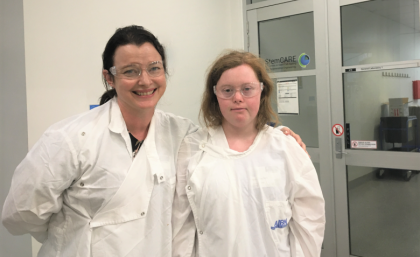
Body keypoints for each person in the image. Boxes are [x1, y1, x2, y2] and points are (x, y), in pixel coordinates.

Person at [2, 26, 305, 256]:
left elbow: (230, 142)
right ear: (110, 78)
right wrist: (71, 232)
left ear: (164, 72)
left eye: (154, 69)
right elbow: (20, 215)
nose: (145, 81)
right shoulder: (70, 138)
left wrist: (273, 135)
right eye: (130, 72)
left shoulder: (182, 134)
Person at [172, 51, 325, 257]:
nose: (237, 98)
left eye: (247, 89)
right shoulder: (192, 149)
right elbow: (182, 225)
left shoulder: (286, 148)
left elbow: (309, 221)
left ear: (261, 91)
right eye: (227, 90)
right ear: (215, 95)